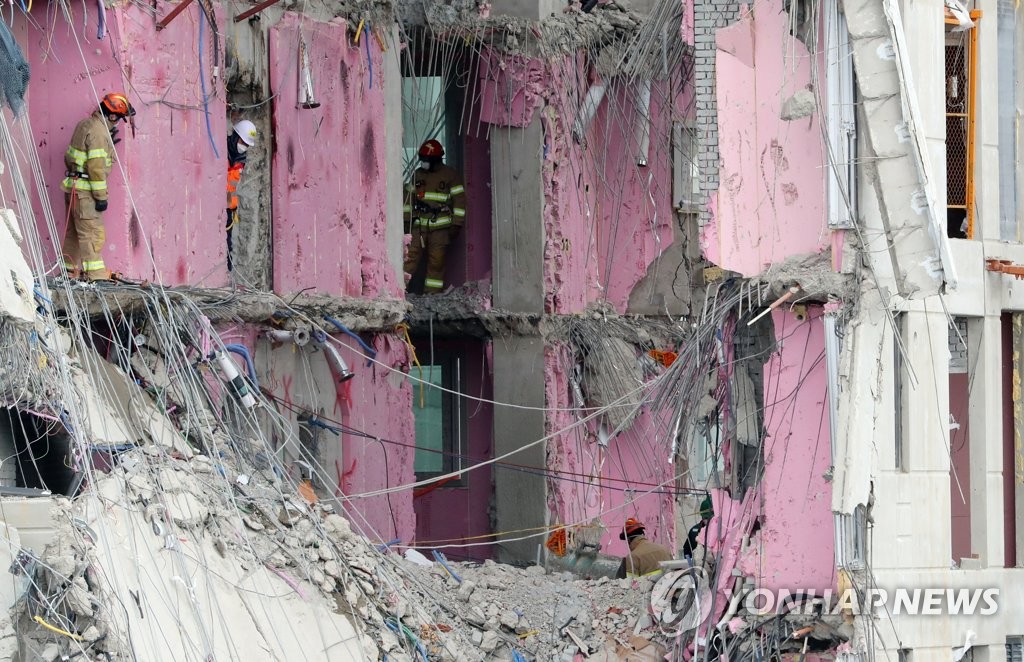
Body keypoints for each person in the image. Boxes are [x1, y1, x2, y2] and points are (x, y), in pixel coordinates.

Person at [61, 92, 135, 281]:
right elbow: (96, 169)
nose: (117, 123)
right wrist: (101, 197)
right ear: (112, 116)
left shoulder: (84, 125)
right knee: (93, 235)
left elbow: (69, 157)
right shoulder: (99, 133)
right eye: (118, 119)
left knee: (74, 234)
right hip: (86, 194)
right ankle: (96, 278)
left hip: (73, 189)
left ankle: (67, 274)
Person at [402, 139, 466, 294]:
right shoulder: (417, 175)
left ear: (437, 160)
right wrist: (406, 220)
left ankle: (431, 296)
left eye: (427, 160)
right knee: (408, 260)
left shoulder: (451, 175)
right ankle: (400, 291)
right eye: (422, 159)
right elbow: (408, 198)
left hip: (441, 229)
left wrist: (456, 225)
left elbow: (460, 201)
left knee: (436, 264)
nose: (424, 163)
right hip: (418, 226)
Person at [226, 119, 258, 272]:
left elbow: (232, 185)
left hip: (228, 208)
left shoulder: (240, 159)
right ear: (235, 136)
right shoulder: (221, 149)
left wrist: (231, 206)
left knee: (228, 245)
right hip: (215, 207)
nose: (243, 147)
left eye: (246, 145)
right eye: (242, 142)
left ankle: (227, 277)